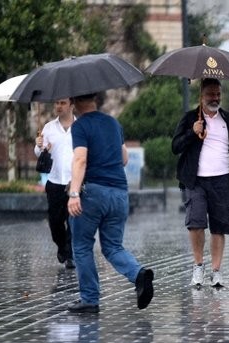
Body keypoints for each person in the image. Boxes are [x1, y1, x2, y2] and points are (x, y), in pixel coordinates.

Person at [66, 93, 154, 314]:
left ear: (75, 101)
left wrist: (74, 193)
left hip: (93, 193)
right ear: (95, 98)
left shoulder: (80, 126)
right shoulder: (113, 123)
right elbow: (123, 158)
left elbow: (80, 159)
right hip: (119, 194)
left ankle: (90, 299)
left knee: (82, 245)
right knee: (113, 246)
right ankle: (139, 275)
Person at [172, 78, 229, 288]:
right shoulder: (191, 118)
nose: (215, 98)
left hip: (222, 179)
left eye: (218, 94)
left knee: (219, 227)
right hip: (196, 180)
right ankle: (198, 266)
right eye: (211, 94)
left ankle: (216, 271)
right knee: (196, 223)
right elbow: (176, 146)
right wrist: (193, 132)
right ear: (201, 95)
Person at [34, 98, 76, 269]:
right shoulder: (49, 128)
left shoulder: (80, 127)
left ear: (72, 105)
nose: (58, 106)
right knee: (55, 221)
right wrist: (39, 146)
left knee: (73, 220)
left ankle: (70, 255)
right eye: (57, 103)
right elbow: (39, 153)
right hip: (55, 181)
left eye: (63, 103)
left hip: (74, 182)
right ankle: (61, 246)